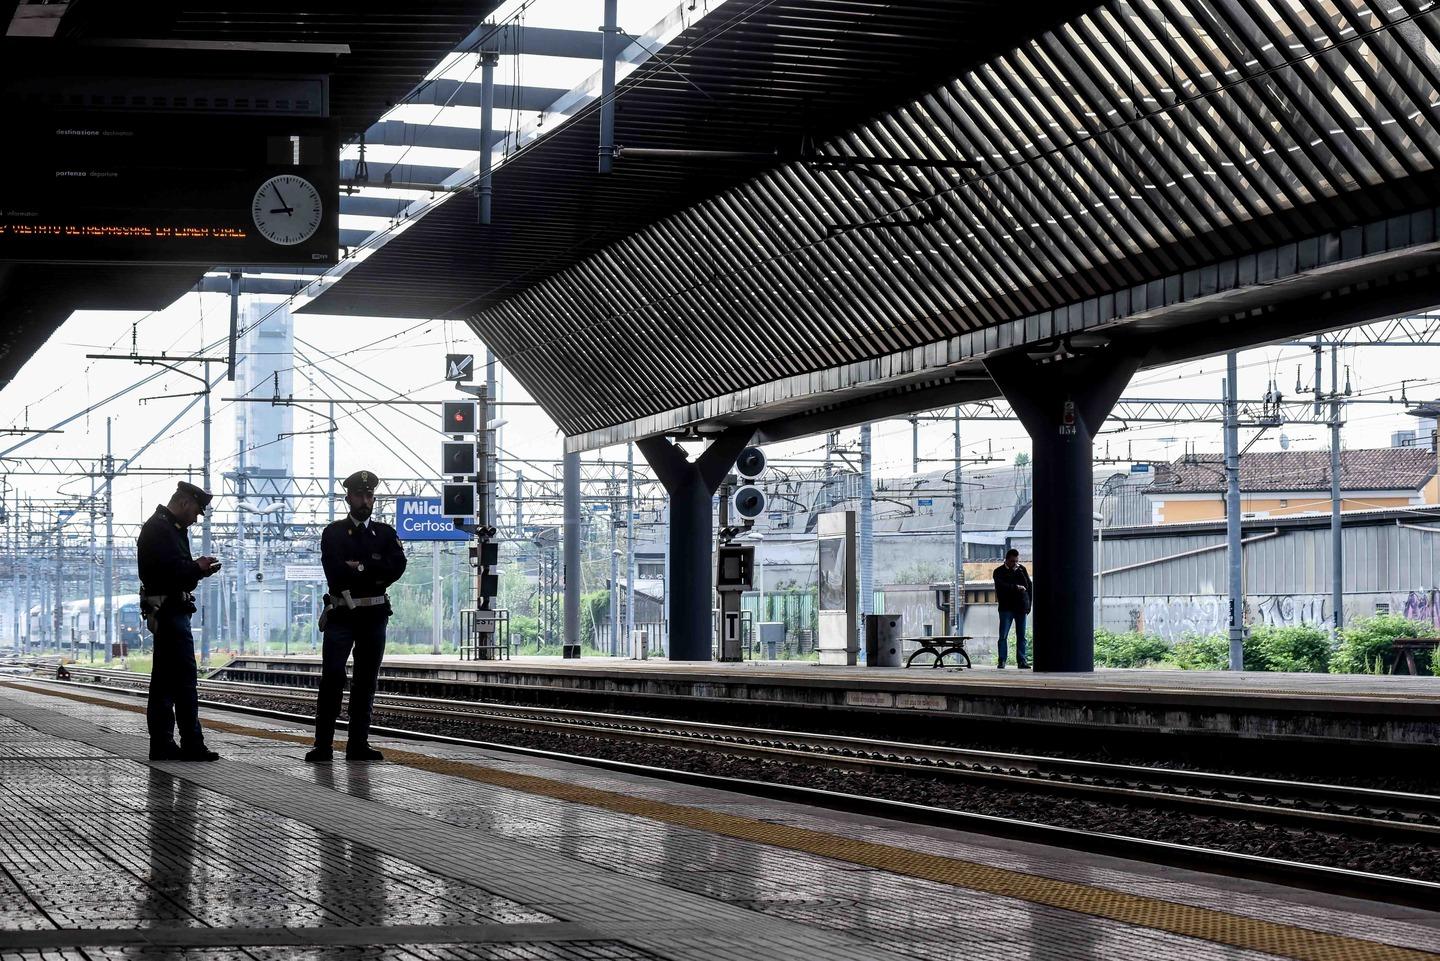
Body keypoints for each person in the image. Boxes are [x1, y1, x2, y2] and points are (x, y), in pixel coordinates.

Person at [305, 470, 407, 763]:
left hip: (374, 614)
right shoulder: (333, 532)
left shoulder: (385, 533)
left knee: (366, 681)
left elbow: (397, 567)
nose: (365, 500)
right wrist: (373, 568)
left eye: (370, 495)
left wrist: (358, 568)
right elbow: (335, 572)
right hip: (342, 613)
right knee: (333, 677)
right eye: (360, 495)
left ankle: (357, 744)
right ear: (348, 498)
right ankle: (323, 745)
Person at [138, 481, 222, 760]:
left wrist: (196, 571)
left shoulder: (168, 528)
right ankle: (190, 743)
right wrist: (196, 568)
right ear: (185, 502)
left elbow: (177, 573)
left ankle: (164, 743)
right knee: (183, 681)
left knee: (165, 681)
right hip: (170, 611)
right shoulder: (161, 529)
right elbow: (171, 574)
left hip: (171, 611)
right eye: (197, 509)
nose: (197, 517)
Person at [992, 548, 1032, 669]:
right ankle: (1002, 660)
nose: (1015, 563)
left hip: (1020, 607)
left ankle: (1022, 661)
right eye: (1012, 561)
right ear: (1007, 560)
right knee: (1003, 635)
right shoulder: (998, 571)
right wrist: (1016, 587)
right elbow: (1001, 586)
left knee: (1021, 636)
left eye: (1016, 561)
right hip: (1006, 608)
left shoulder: (1021, 569)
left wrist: (1028, 604)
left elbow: (1028, 585)